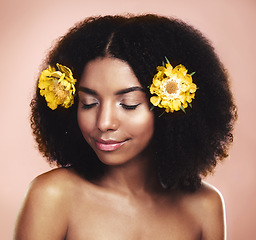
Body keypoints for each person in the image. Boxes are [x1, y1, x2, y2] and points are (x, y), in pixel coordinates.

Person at [14, 14, 237, 240]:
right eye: (89, 103)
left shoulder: (205, 206)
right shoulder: (53, 196)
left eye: (129, 105)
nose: (104, 122)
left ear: (172, 108)